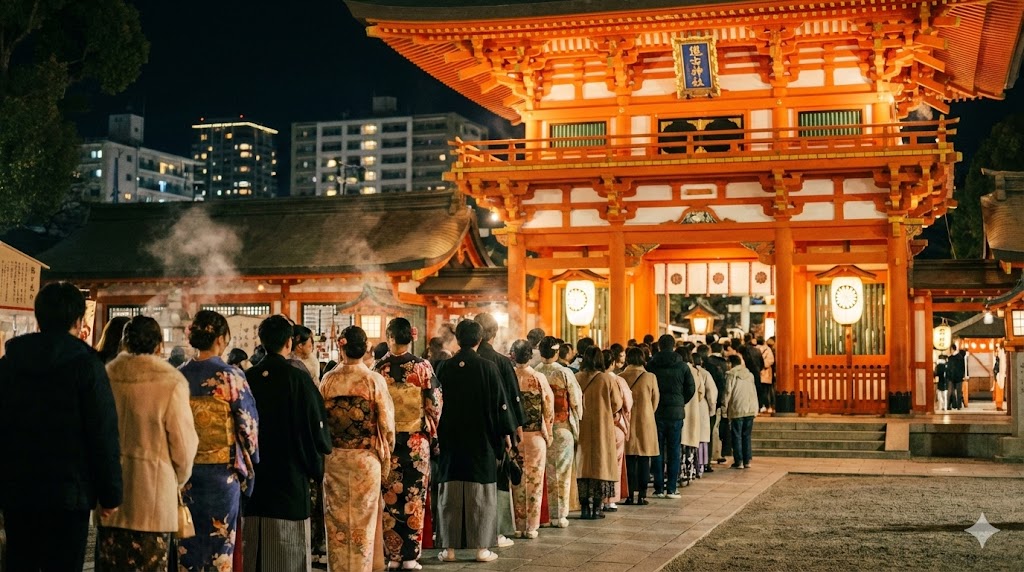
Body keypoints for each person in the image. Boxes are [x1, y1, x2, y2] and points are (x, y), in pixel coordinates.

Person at [0, 282, 122, 571]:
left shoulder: (9, 363)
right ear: (78, 321)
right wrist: (110, 494)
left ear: (39, 317)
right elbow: (102, 433)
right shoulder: (87, 365)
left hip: (16, 489)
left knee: (19, 563)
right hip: (70, 493)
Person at [97, 316, 199, 571]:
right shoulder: (170, 383)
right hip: (153, 501)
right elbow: (184, 448)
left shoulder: (106, 377)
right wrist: (175, 480)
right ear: (159, 346)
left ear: (124, 344)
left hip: (111, 499)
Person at [243, 315, 332, 571]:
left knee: (255, 544)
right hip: (291, 471)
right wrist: (317, 461)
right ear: (289, 342)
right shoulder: (298, 378)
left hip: (256, 472)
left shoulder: (248, 377)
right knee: (289, 548)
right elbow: (316, 425)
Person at [178, 310, 260, 571]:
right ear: (221, 339)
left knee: (187, 541)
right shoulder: (230, 376)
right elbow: (247, 425)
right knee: (220, 545)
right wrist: (252, 459)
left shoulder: (178, 375)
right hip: (221, 474)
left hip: (186, 472)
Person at [320, 326, 396, 572]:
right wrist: (385, 453)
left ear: (341, 347)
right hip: (365, 459)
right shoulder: (373, 380)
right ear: (365, 349)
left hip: (335, 458)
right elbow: (387, 426)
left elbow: (321, 421)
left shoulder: (328, 380)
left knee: (337, 521)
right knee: (365, 519)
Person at [434, 320, 508, 563]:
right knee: (481, 494)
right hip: (481, 439)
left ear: (458, 339)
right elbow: (500, 405)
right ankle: (481, 549)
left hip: (450, 439)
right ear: (479, 340)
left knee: (450, 494)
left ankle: (449, 549)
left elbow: (435, 405)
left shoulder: (444, 367)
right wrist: (505, 435)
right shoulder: (488, 367)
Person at [374, 318, 442, 570]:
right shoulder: (422, 367)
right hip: (415, 442)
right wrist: (430, 430)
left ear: (389, 337)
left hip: (389, 440)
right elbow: (434, 404)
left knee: (390, 500)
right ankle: (410, 557)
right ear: (411, 337)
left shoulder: (378, 368)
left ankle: (393, 556)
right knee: (414, 497)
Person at [473, 312, 524, 548]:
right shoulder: (501, 362)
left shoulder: (463, 361)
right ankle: (496, 531)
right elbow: (513, 397)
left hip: (469, 428)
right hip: (497, 430)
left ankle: (473, 529)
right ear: (494, 333)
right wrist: (515, 427)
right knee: (498, 480)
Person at [534, 336, 582, 527]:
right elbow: (575, 400)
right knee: (562, 473)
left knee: (543, 473)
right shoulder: (563, 372)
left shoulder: (536, 371)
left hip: (541, 428)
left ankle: (543, 515)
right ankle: (559, 515)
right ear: (556, 352)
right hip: (561, 427)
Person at [510, 339, 554, 538]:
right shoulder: (538, 378)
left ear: (513, 355)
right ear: (530, 355)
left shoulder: (509, 376)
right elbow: (548, 408)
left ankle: (518, 526)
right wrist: (548, 433)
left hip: (514, 436)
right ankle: (531, 526)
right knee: (534, 480)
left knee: (516, 480)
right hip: (535, 434)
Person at [575, 347, 623, 519]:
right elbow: (617, 403)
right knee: (600, 466)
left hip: (581, 427)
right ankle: (596, 507)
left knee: (582, 466)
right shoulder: (606, 378)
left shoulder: (577, 377)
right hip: (602, 427)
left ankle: (584, 508)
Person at [646, 334, 695, 499]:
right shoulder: (682, 366)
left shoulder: (651, 365)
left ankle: (659, 488)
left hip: (657, 411)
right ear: (673, 346)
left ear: (659, 346)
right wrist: (680, 401)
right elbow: (690, 388)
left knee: (657, 449)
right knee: (674, 450)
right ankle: (672, 488)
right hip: (676, 413)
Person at [621, 347, 659, 505]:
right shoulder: (650, 377)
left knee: (628, 459)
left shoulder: (621, 377)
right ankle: (642, 495)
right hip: (645, 421)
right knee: (644, 458)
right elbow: (655, 400)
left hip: (626, 421)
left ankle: (629, 494)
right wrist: (648, 412)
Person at [602, 348, 632, 512]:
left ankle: (598, 498)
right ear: (612, 363)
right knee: (616, 463)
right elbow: (627, 403)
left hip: (597, 425)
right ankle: (610, 499)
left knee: (600, 462)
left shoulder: (591, 378)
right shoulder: (618, 380)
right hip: (615, 425)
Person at [723, 354, 758, 469]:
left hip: (737, 407)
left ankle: (739, 461)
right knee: (746, 435)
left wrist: (724, 407)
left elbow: (727, 392)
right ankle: (747, 460)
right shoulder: (750, 375)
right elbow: (754, 391)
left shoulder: (731, 374)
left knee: (736, 435)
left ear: (730, 363)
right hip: (750, 407)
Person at [679, 348, 705, 484]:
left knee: (680, 444)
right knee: (691, 442)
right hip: (693, 411)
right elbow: (701, 393)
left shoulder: (678, 370)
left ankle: (680, 472)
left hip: (680, 410)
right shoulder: (696, 372)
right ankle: (690, 472)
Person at [692, 353, 718, 476]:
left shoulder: (687, 371)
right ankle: (703, 463)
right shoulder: (705, 374)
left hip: (689, 407)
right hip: (702, 407)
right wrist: (712, 410)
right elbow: (712, 393)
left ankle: (692, 464)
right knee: (702, 438)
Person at [946, 344, 967, 410]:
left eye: (950, 350)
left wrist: (948, 375)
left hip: (952, 377)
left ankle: (951, 405)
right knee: (958, 392)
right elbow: (963, 368)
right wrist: (962, 375)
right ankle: (958, 405)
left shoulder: (950, 358)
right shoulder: (960, 357)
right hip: (958, 377)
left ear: (952, 349)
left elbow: (949, 368)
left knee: (951, 391)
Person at [757, 337, 775, 412]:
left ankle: (760, 406)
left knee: (759, 391)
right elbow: (771, 360)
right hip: (766, 373)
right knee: (766, 391)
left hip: (757, 372)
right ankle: (768, 406)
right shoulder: (767, 349)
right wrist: (764, 365)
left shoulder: (755, 350)